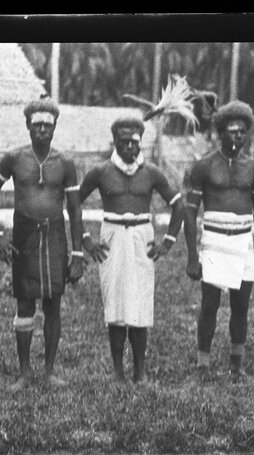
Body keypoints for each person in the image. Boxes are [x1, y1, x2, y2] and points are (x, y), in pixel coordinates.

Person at [0, 97, 86, 389]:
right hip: (24, 235)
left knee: (53, 304)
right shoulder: (14, 158)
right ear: (27, 125)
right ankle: (25, 372)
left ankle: (49, 371)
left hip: (54, 236)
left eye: (47, 125)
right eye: (36, 124)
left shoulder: (65, 162)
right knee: (25, 302)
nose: (41, 130)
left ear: (54, 128)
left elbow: (75, 209)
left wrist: (77, 253)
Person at [78, 116, 185, 384]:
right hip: (112, 236)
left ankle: (139, 372)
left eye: (134, 142)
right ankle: (117, 371)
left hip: (141, 237)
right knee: (114, 306)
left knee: (139, 306)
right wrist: (86, 241)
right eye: (123, 142)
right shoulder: (101, 171)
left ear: (141, 144)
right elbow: (71, 202)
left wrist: (168, 242)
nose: (128, 148)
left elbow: (178, 205)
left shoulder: (151, 172)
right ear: (114, 142)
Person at [182, 100, 254, 381]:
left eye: (242, 132)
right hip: (215, 241)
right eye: (232, 131)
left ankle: (236, 365)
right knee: (210, 304)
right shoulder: (204, 166)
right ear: (221, 132)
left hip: (243, 241)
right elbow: (190, 211)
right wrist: (193, 257)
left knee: (241, 306)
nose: (238, 137)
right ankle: (202, 364)